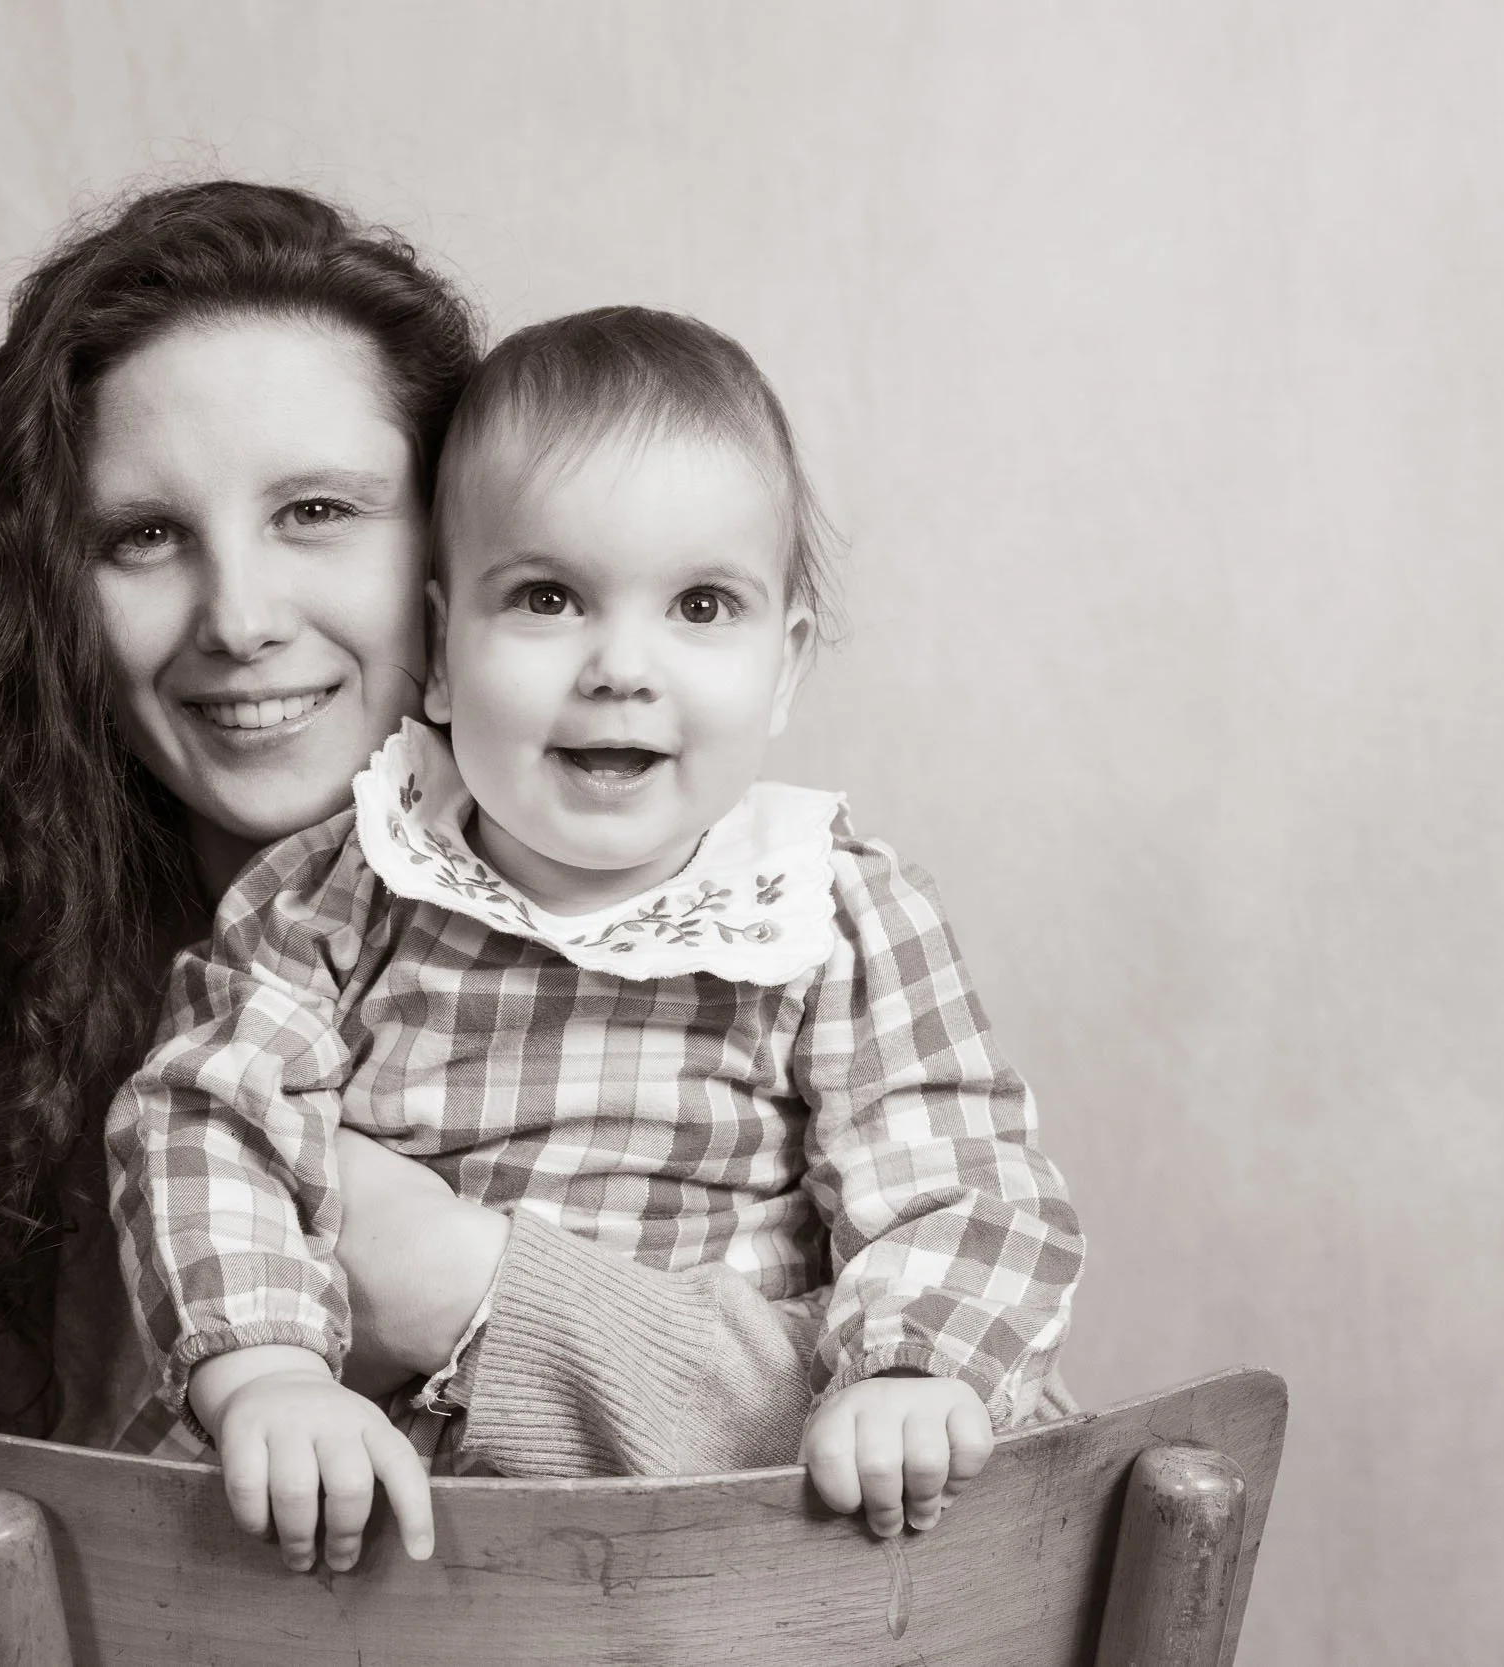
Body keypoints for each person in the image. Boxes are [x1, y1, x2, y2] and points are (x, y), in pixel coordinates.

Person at [0, 182, 916, 1666]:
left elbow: (987, 1453)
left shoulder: (754, 934)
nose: (237, 615)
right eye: (142, 534)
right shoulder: (6, 1052)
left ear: (460, 560)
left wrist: (465, 1283)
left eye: (314, 511)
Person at [107, 307, 1086, 1577]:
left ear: (784, 668)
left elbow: (962, 1179)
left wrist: (908, 1369)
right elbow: (205, 1119)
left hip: (708, 1555)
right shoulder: (343, 890)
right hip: (385, 1528)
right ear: (442, 655)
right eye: (550, 598)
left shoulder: (831, 910)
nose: (622, 665)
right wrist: (268, 1372)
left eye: (700, 603)